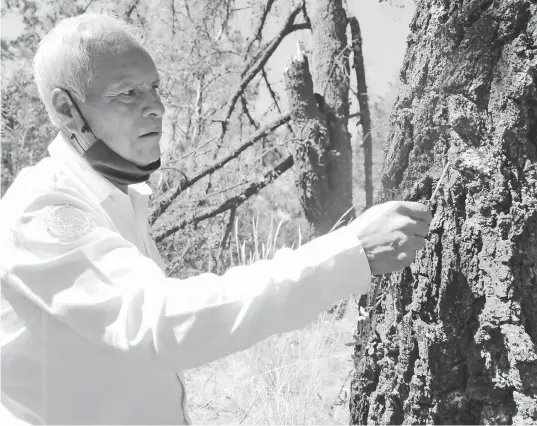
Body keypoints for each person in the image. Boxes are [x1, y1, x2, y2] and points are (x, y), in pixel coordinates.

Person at [0, 12, 432, 426]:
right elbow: (163, 323)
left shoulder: (115, 200)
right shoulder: (44, 211)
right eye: (128, 93)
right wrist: (350, 253)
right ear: (66, 108)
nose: (157, 108)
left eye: (154, 88)